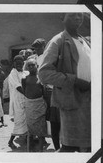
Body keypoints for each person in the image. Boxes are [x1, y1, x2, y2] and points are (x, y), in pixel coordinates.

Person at [39, 13, 91, 152]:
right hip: (73, 101)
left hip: (91, 101)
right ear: (62, 17)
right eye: (72, 15)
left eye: (79, 15)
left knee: (91, 145)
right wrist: (74, 80)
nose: (77, 18)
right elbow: (44, 74)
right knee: (71, 146)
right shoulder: (58, 41)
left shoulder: (85, 41)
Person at [22, 59, 47, 151]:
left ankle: (40, 150)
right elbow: (24, 91)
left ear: (37, 66)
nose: (31, 67)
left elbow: (44, 92)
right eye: (29, 65)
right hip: (29, 105)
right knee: (30, 130)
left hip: (39, 105)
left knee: (40, 130)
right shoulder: (25, 78)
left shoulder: (40, 78)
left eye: (33, 65)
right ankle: (30, 150)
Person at [8, 55, 29, 149]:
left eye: (21, 63)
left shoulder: (25, 72)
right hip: (18, 101)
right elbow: (18, 87)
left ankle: (27, 139)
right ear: (14, 64)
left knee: (27, 119)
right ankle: (10, 141)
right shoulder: (13, 73)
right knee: (19, 121)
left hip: (25, 100)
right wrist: (29, 95)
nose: (19, 65)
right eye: (17, 64)